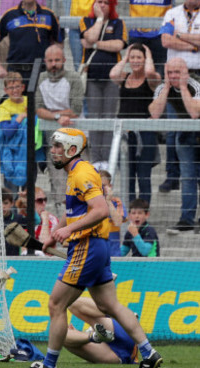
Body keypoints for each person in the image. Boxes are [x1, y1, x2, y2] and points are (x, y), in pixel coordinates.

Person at [20, 127, 161, 368]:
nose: (52, 151)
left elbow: (100, 210)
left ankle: (49, 365)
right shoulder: (75, 172)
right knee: (110, 305)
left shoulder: (82, 173)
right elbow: (75, 210)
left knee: (56, 304)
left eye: (57, 147)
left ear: (72, 150)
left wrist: (69, 230)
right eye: (52, 146)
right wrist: (57, 231)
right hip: (95, 246)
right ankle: (149, 352)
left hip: (87, 247)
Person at [149, 57, 200, 234]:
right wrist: (167, 87)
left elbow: (195, 113)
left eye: (177, 72)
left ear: (186, 72)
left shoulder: (196, 84)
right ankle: (186, 220)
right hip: (185, 134)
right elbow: (155, 113)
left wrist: (184, 87)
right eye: (170, 73)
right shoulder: (165, 87)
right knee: (187, 177)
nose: (173, 76)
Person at [109, 43, 161, 204]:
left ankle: (143, 214)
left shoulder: (151, 80)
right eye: (133, 57)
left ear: (145, 60)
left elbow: (151, 72)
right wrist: (125, 57)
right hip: (125, 134)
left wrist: (149, 55)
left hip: (144, 134)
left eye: (139, 57)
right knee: (127, 177)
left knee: (143, 177)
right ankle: (129, 214)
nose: (135, 61)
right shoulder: (124, 77)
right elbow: (112, 74)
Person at [158, 0, 200, 193]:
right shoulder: (171, 13)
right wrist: (193, 44)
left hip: (198, 74)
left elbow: (174, 37)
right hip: (175, 76)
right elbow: (166, 40)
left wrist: (181, 35)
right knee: (174, 129)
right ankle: (172, 175)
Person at [80, 0, 127, 170]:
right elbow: (90, 36)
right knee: (94, 117)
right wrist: (99, 19)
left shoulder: (118, 23)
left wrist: (94, 45)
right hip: (92, 77)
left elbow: (119, 45)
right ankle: (96, 158)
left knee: (108, 117)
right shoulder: (86, 21)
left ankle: (106, 159)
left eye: (106, 2)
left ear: (112, 5)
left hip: (112, 78)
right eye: (99, 2)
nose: (102, 5)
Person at [35, 44, 84, 208]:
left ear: (64, 60)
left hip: (76, 140)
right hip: (53, 140)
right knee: (58, 183)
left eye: (57, 60)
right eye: (50, 61)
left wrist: (53, 114)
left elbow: (76, 109)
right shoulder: (40, 79)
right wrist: (58, 116)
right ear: (45, 61)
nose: (54, 64)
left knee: (79, 181)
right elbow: (38, 108)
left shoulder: (73, 78)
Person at [0, 0, 63, 82]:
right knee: (15, 95)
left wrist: (53, 62)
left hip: (41, 72)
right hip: (15, 73)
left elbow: (59, 42)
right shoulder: (10, 15)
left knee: (39, 95)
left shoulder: (48, 15)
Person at [0, 72, 44, 194]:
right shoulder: (4, 107)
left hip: (28, 152)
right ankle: (12, 213)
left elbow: (37, 121)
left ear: (23, 87)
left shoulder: (29, 101)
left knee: (28, 193)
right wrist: (20, 117)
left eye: (17, 87)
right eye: (11, 88)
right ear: (6, 90)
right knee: (11, 193)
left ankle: (27, 212)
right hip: (12, 155)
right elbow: (7, 132)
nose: (15, 91)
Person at [64, 297, 138, 365]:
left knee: (71, 303)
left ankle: (122, 316)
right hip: (116, 355)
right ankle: (96, 336)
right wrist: (76, 334)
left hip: (123, 340)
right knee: (60, 336)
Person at [99, 170, 126, 257]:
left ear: (110, 186)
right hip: (95, 254)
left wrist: (108, 202)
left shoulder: (117, 203)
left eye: (103, 186)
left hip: (113, 255)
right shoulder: (88, 203)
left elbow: (118, 222)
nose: (100, 189)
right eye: (97, 186)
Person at [1, 187, 26, 257]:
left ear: (12, 203)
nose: (2, 206)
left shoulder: (18, 218)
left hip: (15, 260)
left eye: (5, 203)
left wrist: (26, 202)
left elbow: (36, 221)